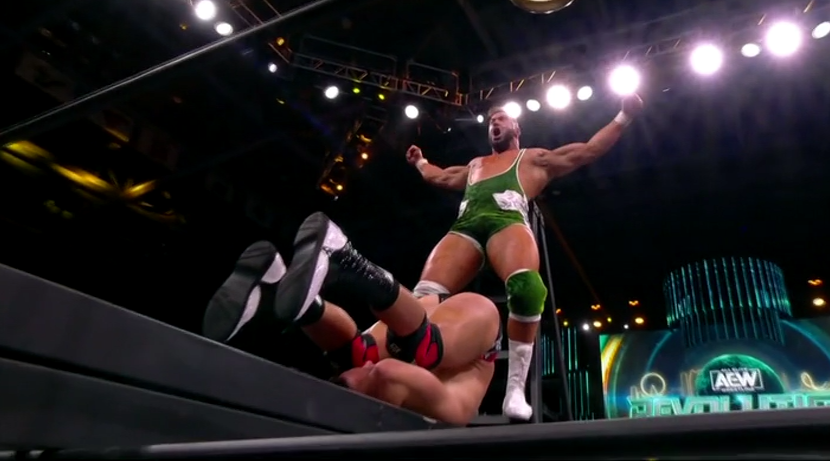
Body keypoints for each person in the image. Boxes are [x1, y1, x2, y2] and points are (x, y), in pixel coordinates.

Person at [405, 94, 644, 420]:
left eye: (501, 119)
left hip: (506, 224)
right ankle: (411, 373)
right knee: (423, 297)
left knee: (527, 288)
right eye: (491, 121)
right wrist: (420, 162)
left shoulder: (534, 158)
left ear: (516, 127)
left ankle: (515, 389)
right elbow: (441, 176)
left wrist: (624, 116)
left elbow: (589, 150)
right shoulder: (476, 165)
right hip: (465, 229)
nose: (494, 123)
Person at [202, 212, 502, 425]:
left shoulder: (377, 374)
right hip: (470, 327)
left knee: (358, 354)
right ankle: (347, 259)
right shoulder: (443, 408)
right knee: (421, 350)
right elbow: (385, 375)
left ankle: (276, 287)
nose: (366, 369)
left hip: (413, 317)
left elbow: (372, 370)